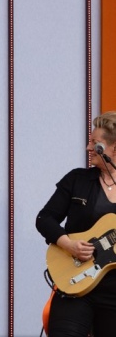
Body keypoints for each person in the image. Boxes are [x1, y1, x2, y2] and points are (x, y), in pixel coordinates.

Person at [36, 111, 116, 336]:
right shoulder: (77, 179)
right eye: (89, 142)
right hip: (74, 286)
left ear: (114, 149)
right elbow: (45, 218)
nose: (88, 148)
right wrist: (68, 244)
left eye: (95, 144)